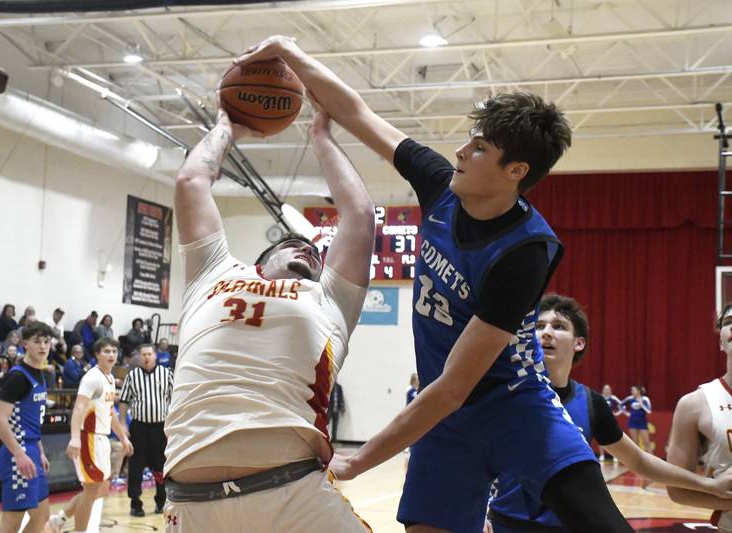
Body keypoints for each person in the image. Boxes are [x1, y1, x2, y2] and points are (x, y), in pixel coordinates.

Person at [236, 37, 631, 533]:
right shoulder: (441, 185)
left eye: (480, 147)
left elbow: (452, 388)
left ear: (516, 171)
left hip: (513, 405)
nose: (461, 151)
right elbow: (357, 112)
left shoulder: (524, 253)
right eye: (470, 139)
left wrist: (357, 462)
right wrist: (288, 51)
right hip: (444, 423)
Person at [161, 94, 375, 533]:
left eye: (317, 254)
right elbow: (190, 181)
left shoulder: (329, 300)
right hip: (193, 505)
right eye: (293, 244)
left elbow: (360, 215)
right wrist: (227, 126)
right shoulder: (213, 271)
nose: (308, 251)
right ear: (263, 257)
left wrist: (321, 135)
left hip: (294, 494)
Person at [487, 294, 732, 532]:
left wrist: (709, 485)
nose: (546, 332)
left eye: (558, 326)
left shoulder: (591, 403)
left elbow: (639, 460)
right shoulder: (504, 392)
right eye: (539, 326)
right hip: (505, 524)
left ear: (578, 342)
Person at [47, 337, 133, 533]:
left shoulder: (110, 378)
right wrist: (75, 437)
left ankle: (58, 520)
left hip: (102, 439)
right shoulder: (92, 377)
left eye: (114, 351)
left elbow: (110, 412)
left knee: (100, 489)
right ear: (97, 354)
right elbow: (78, 408)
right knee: (91, 489)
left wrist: (123, 437)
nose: (111, 355)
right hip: (89, 438)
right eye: (106, 351)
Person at [667, 302, 732, 530]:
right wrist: (720, 495)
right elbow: (677, 490)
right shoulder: (694, 404)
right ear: (721, 342)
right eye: (728, 322)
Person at [0, 321, 55, 532]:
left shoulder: (41, 374)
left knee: (42, 517)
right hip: (15, 454)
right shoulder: (17, 376)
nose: (43, 346)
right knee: (12, 521)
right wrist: (19, 454)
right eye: (37, 342)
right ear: (25, 344)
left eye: (46, 342)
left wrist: (40, 452)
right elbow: (0, 421)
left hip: (31, 450)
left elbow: (31, 420)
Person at [119, 343, 172, 516]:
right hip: (139, 428)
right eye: (143, 354)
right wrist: (122, 424)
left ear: (155, 356)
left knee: (161, 467)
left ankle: (161, 500)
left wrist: (173, 425)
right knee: (136, 468)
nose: (147, 357)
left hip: (160, 428)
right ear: (139, 357)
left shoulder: (166, 374)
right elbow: (124, 401)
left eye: (149, 354)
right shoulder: (132, 376)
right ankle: (135, 503)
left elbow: (174, 400)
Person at [622, 385, 652, 452]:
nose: (632, 391)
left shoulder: (645, 399)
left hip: (642, 423)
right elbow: (620, 404)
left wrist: (641, 404)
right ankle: (637, 461)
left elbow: (649, 411)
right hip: (632, 422)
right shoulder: (630, 398)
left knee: (646, 442)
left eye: (633, 390)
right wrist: (626, 412)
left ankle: (652, 460)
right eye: (631, 390)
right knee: (635, 443)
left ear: (638, 391)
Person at [600, 384, 623, 462]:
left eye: (608, 389)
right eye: (605, 389)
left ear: (610, 391)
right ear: (603, 390)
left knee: (614, 439)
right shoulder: (599, 397)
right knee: (601, 438)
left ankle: (615, 456)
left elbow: (622, 406)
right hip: (601, 421)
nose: (606, 391)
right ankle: (602, 455)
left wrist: (616, 413)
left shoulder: (613, 398)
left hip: (611, 421)